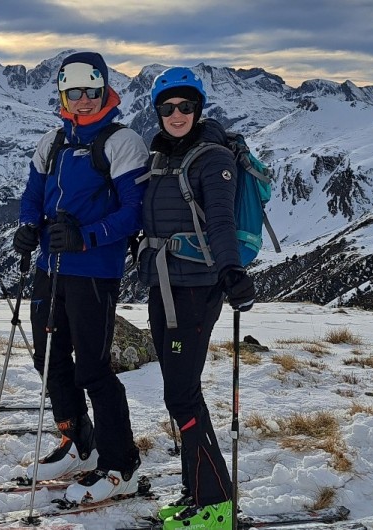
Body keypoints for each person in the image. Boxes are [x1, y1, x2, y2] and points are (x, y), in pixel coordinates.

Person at [11, 51, 148, 504]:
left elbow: (134, 212)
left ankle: (120, 463)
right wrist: (28, 225)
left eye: (92, 91)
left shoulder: (121, 141)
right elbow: (32, 195)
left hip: (93, 272)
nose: (84, 100)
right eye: (75, 93)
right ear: (63, 95)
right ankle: (79, 444)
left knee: (93, 369)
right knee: (49, 363)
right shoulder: (52, 141)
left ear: (104, 90)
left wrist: (86, 237)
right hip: (50, 270)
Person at [136, 67, 256, 529]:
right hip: (162, 285)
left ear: (198, 108)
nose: (176, 114)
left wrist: (231, 270)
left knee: (181, 393)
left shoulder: (213, 158)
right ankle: (198, 492)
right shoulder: (160, 154)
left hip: (196, 289)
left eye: (185, 106)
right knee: (178, 393)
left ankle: (215, 502)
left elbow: (221, 222)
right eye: (167, 107)